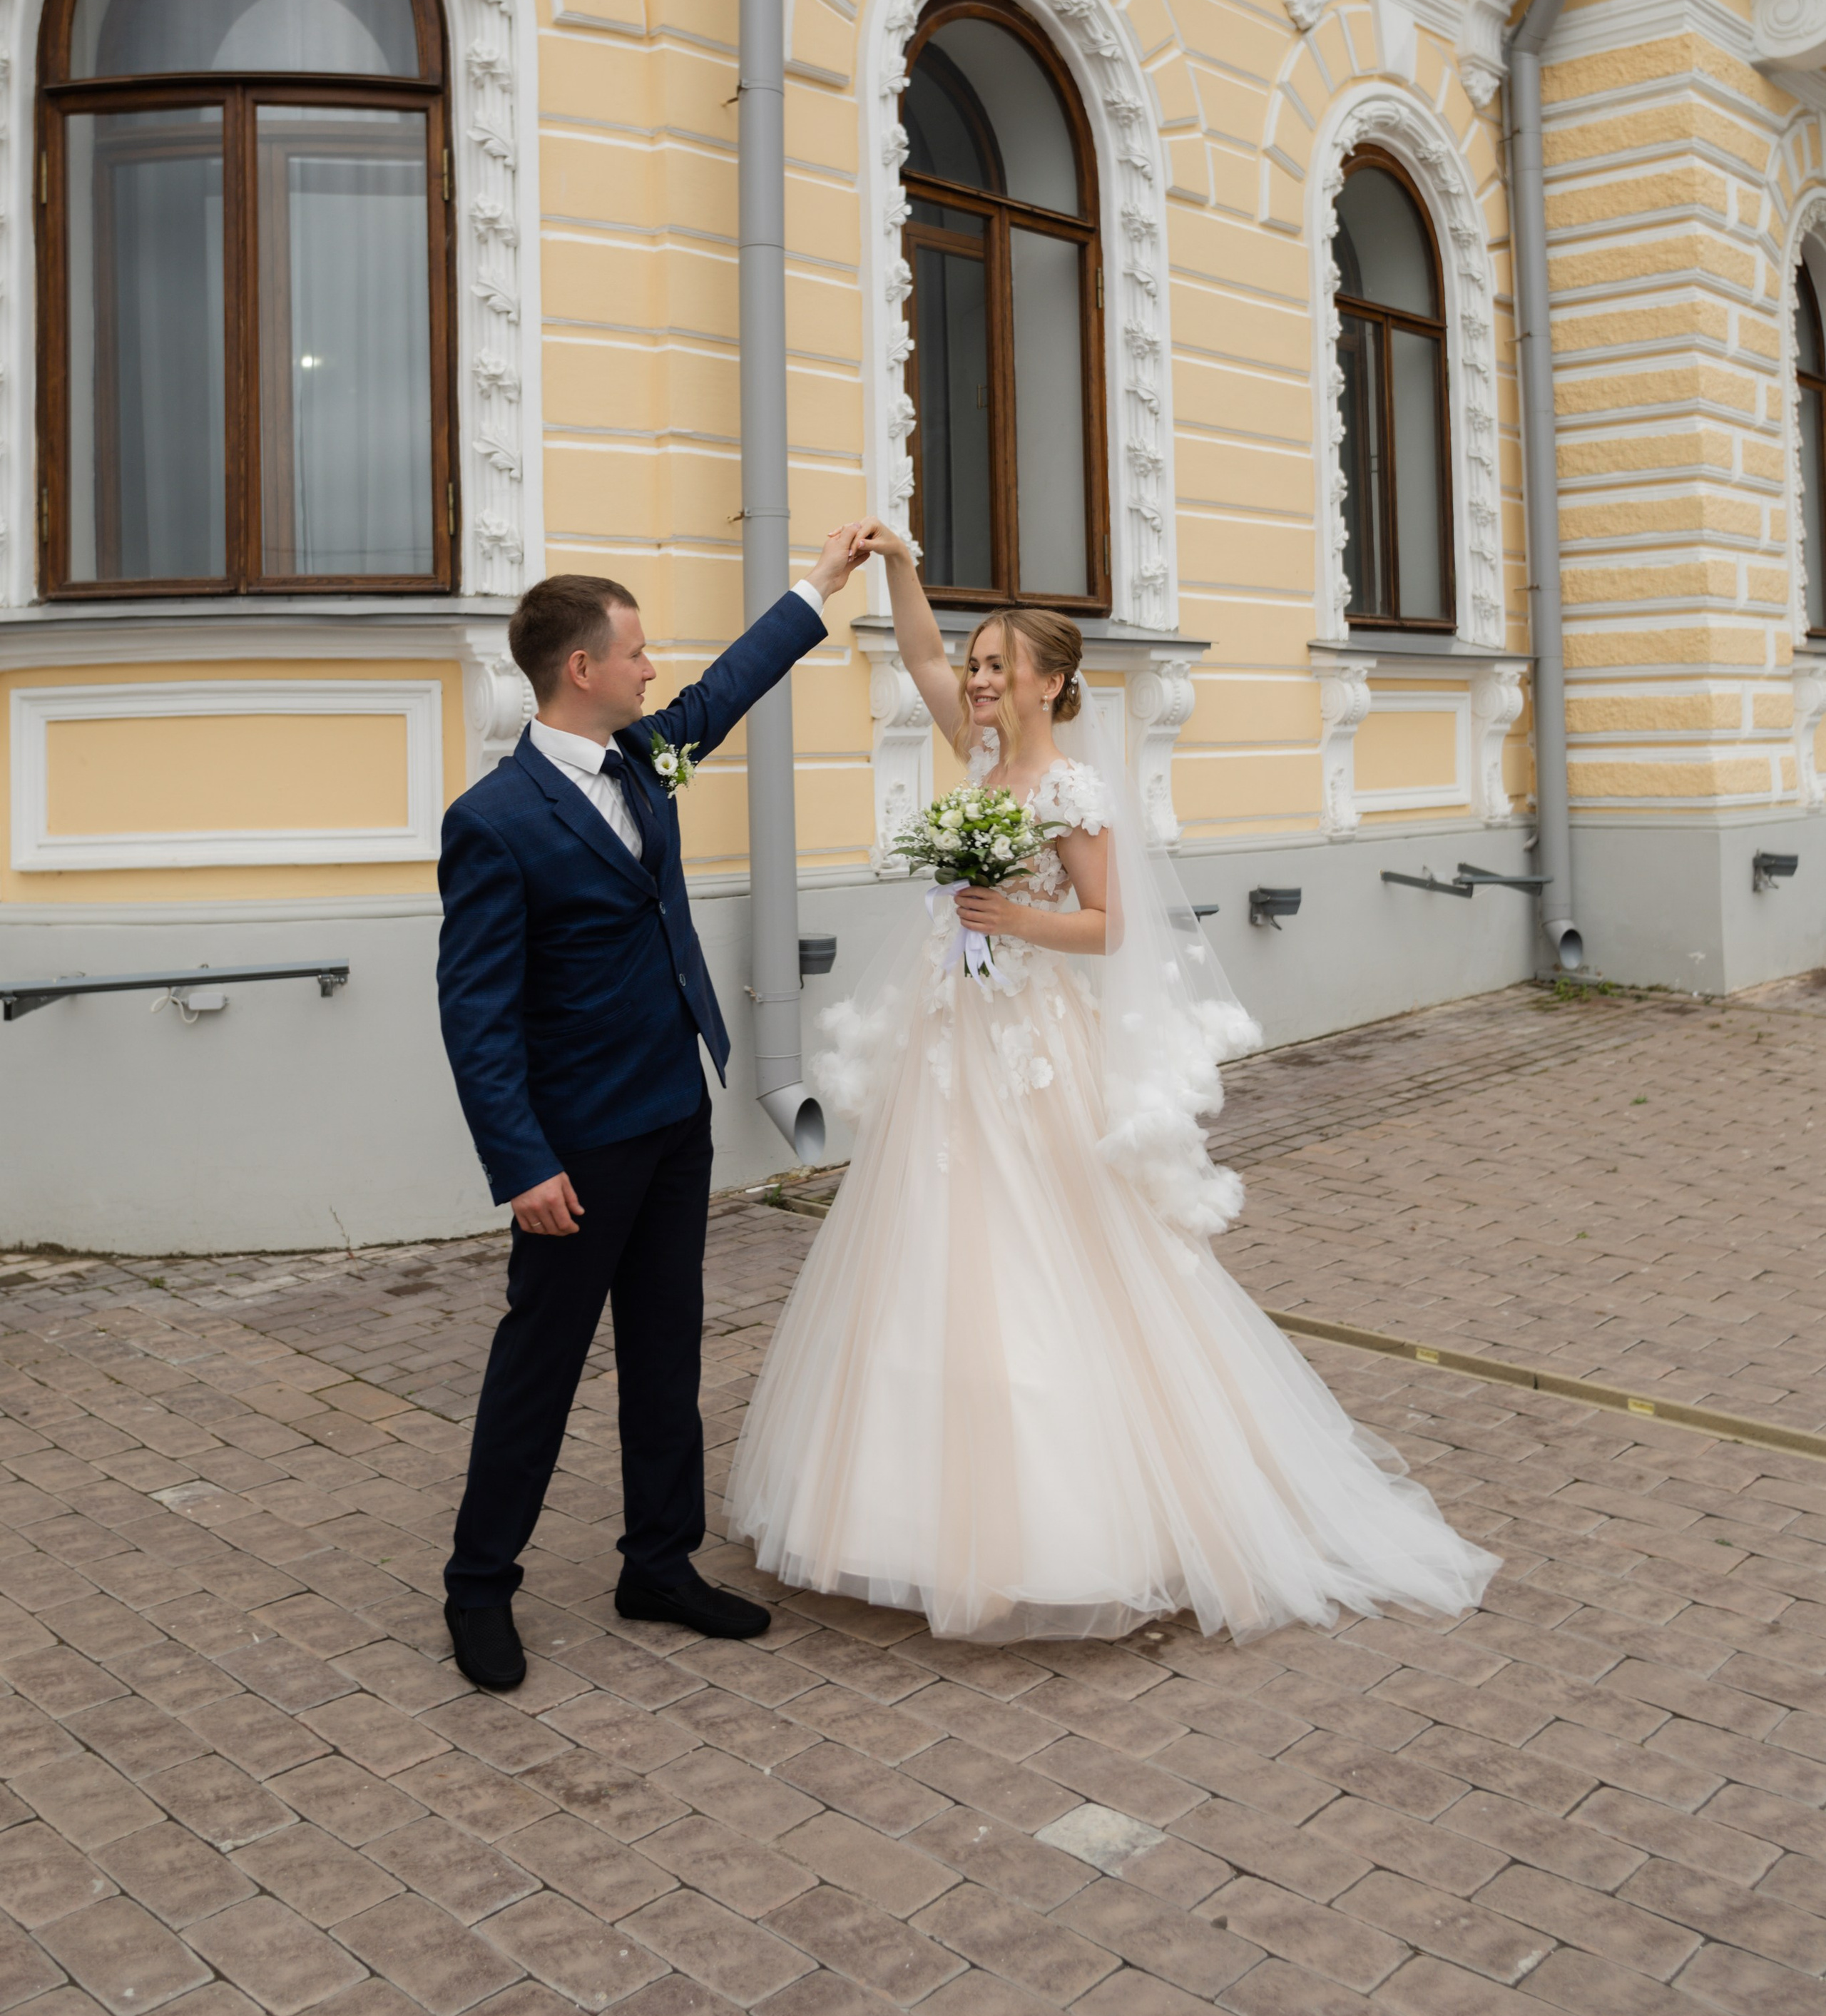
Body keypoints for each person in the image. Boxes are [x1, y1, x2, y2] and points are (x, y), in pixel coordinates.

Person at [725, 521, 1499, 1644]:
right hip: (958, 1032)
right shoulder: (980, 753)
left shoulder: (1072, 789)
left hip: (1033, 1037)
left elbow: (1109, 924)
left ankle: (1081, 1521)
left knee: (1050, 1244)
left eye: (998, 667)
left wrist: (1009, 916)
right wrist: (900, 571)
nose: (977, 681)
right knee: (931, 1236)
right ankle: (908, 1514)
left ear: (1049, 683)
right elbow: (922, 661)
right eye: (978, 666)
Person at [437, 531, 864, 1690]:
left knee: (666, 1347)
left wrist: (816, 587)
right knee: (542, 1363)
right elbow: (475, 1016)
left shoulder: (642, 758)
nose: (651, 668)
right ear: (581, 668)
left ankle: (657, 1565)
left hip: (676, 1112)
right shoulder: (497, 819)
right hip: (575, 1145)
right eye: (635, 652)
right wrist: (521, 1163)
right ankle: (480, 1587)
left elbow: (725, 690)